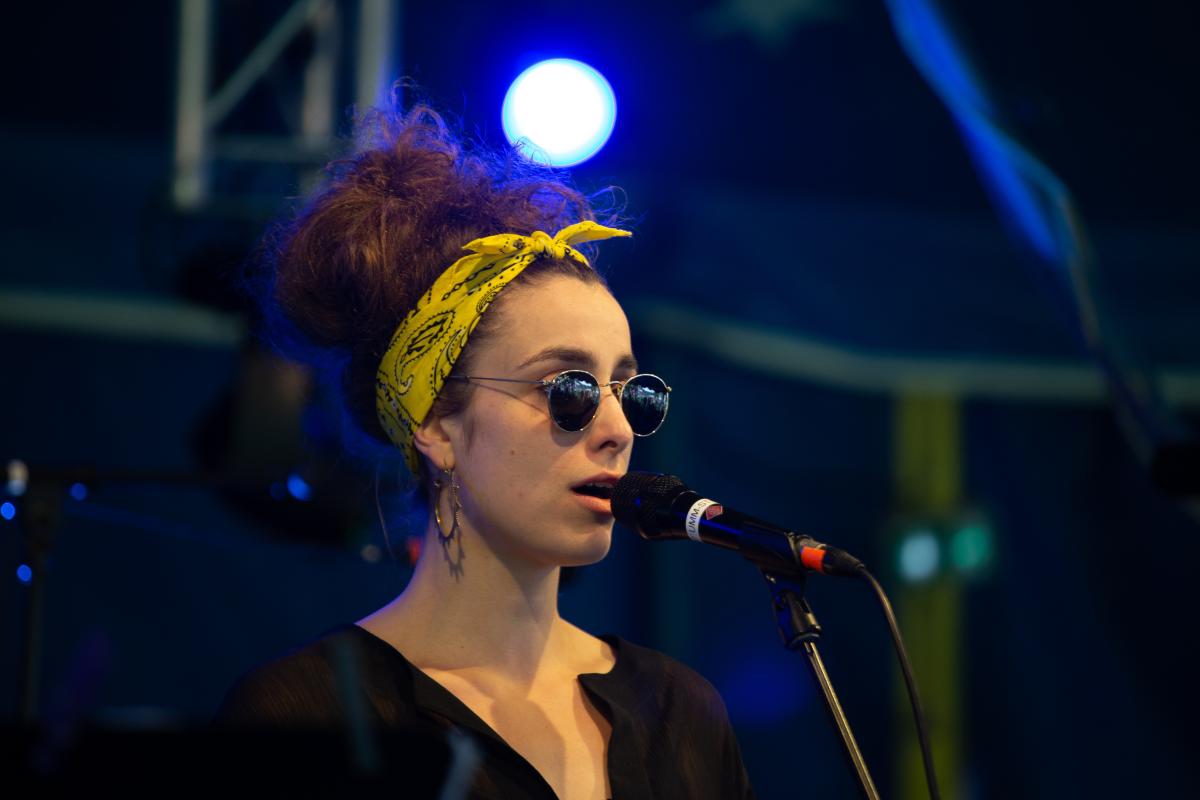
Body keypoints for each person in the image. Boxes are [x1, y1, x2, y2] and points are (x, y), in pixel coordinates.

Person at [217, 100, 756, 800]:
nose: (618, 430)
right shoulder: (304, 719)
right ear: (438, 424)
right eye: (569, 389)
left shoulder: (681, 715)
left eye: (633, 393)